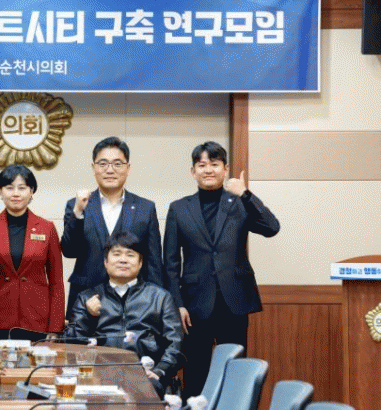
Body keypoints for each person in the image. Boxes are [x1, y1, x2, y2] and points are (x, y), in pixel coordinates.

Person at [163, 141, 280, 398]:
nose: (208, 170)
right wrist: (177, 304)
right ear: (192, 171)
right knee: (195, 371)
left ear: (225, 169)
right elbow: (170, 263)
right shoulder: (179, 208)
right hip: (195, 304)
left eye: (214, 164)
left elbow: (271, 227)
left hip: (234, 299)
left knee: (235, 370)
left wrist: (246, 194)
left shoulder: (239, 203)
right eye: (202, 165)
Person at [64, 231, 183, 398]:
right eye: (117, 254)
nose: (123, 260)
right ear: (106, 262)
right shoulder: (87, 297)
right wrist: (89, 317)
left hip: (145, 377)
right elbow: (69, 345)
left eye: (130, 255)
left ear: (140, 263)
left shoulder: (161, 298)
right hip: (98, 376)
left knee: (147, 388)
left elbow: (175, 342)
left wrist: (160, 370)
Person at [0, 164, 65, 342]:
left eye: (22, 188)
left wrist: (55, 326)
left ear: (31, 191)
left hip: (36, 320)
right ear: (0, 192)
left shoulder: (47, 228)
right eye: (9, 188)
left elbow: (56, 281)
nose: (15, 193)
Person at [62, 136, 162, 316]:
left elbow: (153, 261)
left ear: (128, 168)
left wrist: (156, 304)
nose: (110, 170)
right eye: (103, 164)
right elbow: (69, 251)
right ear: (93, 168)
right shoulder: (76, 204)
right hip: (86, 296)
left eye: (117, 164)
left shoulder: (145, 208)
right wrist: (78, 212)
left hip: (133, 301)